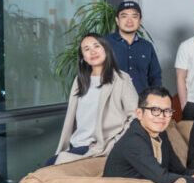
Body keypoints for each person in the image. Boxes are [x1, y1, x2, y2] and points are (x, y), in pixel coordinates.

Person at [54, 33, 138, 164]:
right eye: (86, 49)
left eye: (96, 46)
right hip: (76, 144)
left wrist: (116, 142)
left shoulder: (121, 79)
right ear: (83, 58)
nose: (92, 52)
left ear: (106, 49)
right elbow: (74, 118)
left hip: (99, 146)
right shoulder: (79, 80)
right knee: (49, 169)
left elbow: (135, 116)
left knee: (48, 168)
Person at [107, 1, 162, 95]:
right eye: (124, 16)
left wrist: (155, 98)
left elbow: (155, 77)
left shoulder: (147, 46)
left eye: (134, 16)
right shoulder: (104, 43)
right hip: (113, 100)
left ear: (140, 21)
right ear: (117, 20)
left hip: (141, 100)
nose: (129, 20)